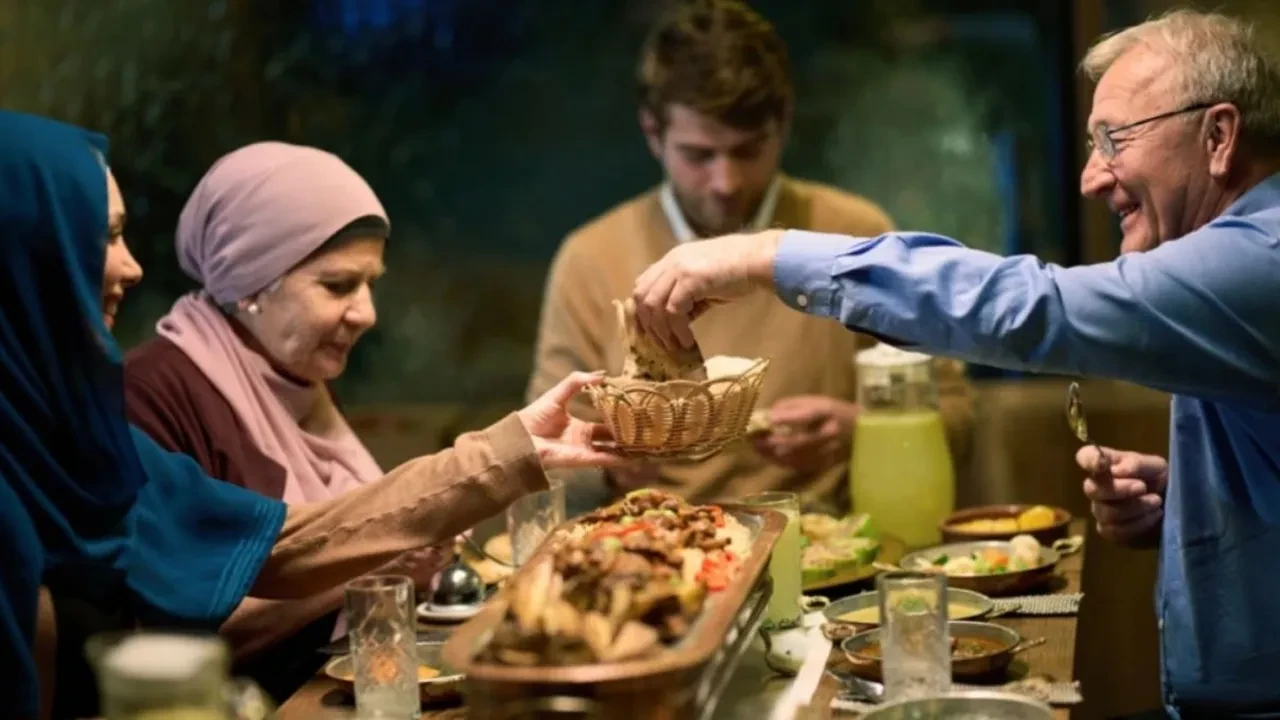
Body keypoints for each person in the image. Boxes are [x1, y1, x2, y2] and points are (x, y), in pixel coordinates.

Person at [631, 9, 1280, 717]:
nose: (1092, 178)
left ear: (1217, 137)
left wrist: (765, 254)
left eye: (1113, 140)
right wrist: (1189, 497)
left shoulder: (1260, 262)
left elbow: (1035, 307)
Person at [0, 109, 621, 719]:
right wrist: (389, 555)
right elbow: (178, 626)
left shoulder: (65, 427)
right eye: (103, 235)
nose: (133, 267)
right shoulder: (140, 396)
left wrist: (512, 451)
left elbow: (276, 544)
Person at [527, 0, 974, 508]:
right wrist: (604, 470)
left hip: (822, 537)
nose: (726, 182)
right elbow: (541, 457)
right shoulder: (590, 259)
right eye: (699, 155)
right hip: (653, 541)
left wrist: (862, 431)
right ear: (653, 133)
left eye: (748, 150)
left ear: (783, 124)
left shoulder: (852, 236)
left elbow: (957, 415)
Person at [113, 142, 455, 698]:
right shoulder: (149, 395)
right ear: (250, 283)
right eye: (338, 285)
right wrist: (375, 562)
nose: (366, 313)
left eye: (371, 283)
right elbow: (170, 634)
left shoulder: (295, 378)